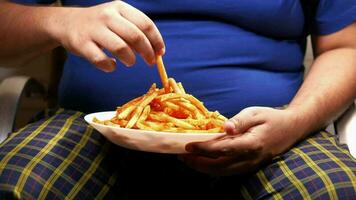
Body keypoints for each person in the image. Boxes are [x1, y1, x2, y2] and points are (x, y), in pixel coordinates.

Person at [0, 0, 355, 199]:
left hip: (274, 132)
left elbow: (347, 47)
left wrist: (297, 120)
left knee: (333, 193)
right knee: (14, 184)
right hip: (92, 125)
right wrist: (57, 19)